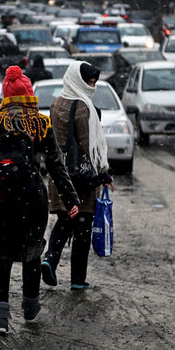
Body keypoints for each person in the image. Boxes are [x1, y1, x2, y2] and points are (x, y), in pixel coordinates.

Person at [0, 65, 80, 335]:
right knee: (32, 252)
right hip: (30, 199)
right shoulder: (41, 123)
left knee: (1, 256)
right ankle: (30, 305)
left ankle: (0, 317)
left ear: (6, 95)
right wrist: (70, 200)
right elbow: (57, 166)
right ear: (29, 94)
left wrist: (3, 180)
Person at [41, 61, 114, 291]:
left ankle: (49, 260)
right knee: (82, 226)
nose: (92, 86)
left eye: (93, 82)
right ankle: (77, 280)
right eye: (88, 82)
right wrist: (103, 173)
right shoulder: (83, 108)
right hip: (80, 176)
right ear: (78, 80)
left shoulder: (56, 103)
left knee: (64, 219)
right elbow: (89, 146)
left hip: (59, 171)